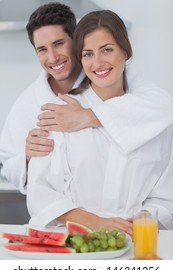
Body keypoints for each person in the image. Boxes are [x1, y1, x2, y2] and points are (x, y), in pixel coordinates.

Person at [0, 2, 173, 194]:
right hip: (63, 212)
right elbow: (8, 164)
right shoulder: (28, 103)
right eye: (42, 49)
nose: (53, 57)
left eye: (59, 44)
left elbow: (163, 106)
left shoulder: (110, 76)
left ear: (76, 40)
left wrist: (88, 116)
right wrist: (26, 156)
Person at [27, 10, 173, 235]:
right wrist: (93, 221)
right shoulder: (59, 115)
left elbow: (166, 194)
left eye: (107, 50)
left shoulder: (154, 119)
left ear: (125, 51)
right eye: (87, 54)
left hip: (136, 242)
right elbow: (40, 193)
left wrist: (136, 224)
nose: (97, 62)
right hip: (76, 243)